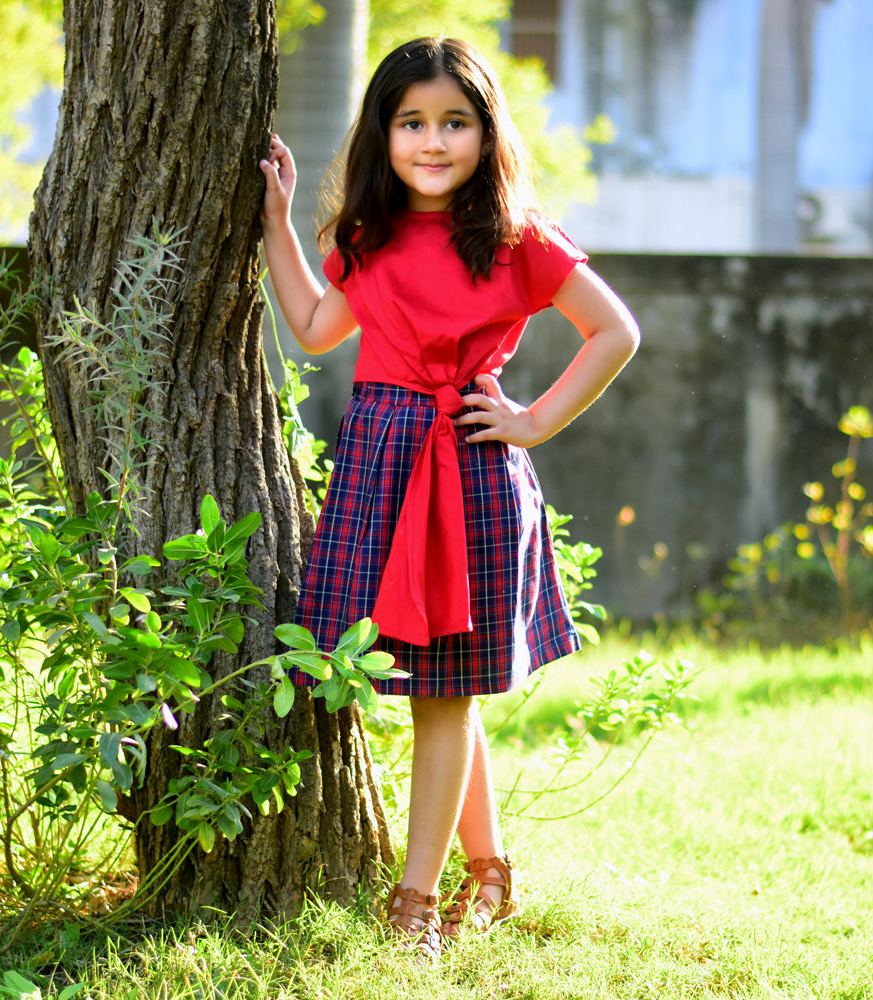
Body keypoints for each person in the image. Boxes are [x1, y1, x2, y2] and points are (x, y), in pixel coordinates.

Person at [259, 36, 639, 962]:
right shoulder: (368, 233)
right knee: (435, 690)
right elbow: (312, 326)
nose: (433, 142)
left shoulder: (517, 237)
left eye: (455, 123)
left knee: (444, 693)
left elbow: (614, 330)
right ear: (383, 133)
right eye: (412, 122)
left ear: (486, 132)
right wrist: (275, 220)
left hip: (467, 471)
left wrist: (533, 421)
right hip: (380, 469)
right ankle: (490, 873)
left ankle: (415, 904)